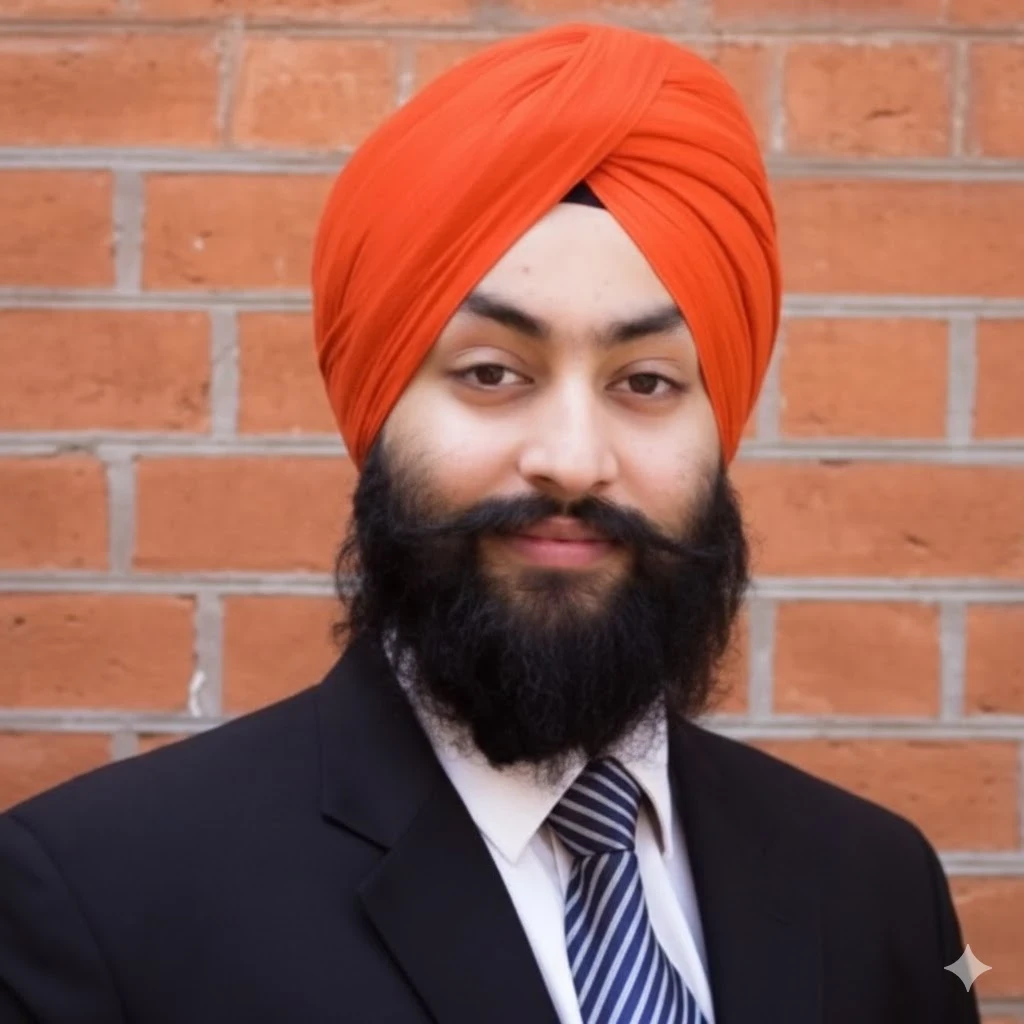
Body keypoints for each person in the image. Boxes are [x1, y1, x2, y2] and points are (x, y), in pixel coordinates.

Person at [0, 21, 980, 1024]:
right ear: (380, 413)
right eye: (490, 373)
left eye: (645, 381)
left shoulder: (876, 887)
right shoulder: (100, 902)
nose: (571, 457)